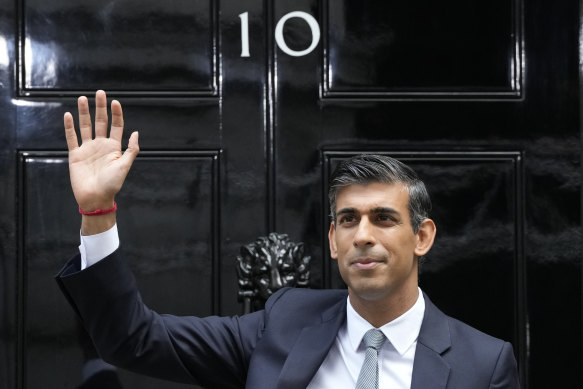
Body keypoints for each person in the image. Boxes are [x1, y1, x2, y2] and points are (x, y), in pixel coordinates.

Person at [56, 91, 520, 389]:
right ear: (333, 241)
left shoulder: (483, 364)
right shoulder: (283, 323)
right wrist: (98, 212)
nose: (362, 236)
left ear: (422, 236)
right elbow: (132, 339)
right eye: (348, 220)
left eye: (383, 218)